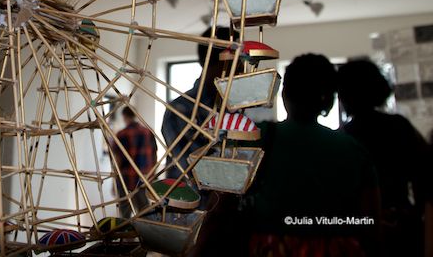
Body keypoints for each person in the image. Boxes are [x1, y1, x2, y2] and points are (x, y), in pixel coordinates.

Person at [244, 54, 380, 257]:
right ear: (328, 98)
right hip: (337, 249)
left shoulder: (258, 138)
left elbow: (225, 201)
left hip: (273, 248)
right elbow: (371, 221)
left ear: (284, 94)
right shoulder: (352, 148)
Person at [338, 60, 427, 256]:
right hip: (402, 224)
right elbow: (424, 176)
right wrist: (416, 213)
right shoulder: (400, 126)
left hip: (360, 229)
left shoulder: (343, 137)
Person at [161, 26, 233, 179]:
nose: (242, 70)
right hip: (197, 201)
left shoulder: (233, 106)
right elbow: (198, 170)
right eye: (237, 61)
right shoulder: (181, 110)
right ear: (222, 60)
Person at [112, 106, 157, 217]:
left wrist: (114, 182)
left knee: (125, 214)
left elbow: (118, 160)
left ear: (124, 116)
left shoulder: (121, 134)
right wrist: (153, 175)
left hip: (125, 179)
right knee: (144, 212)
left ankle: (126, 233)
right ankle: (144, 234)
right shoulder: (148, 132)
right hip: (143, 178)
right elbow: (154, 154)